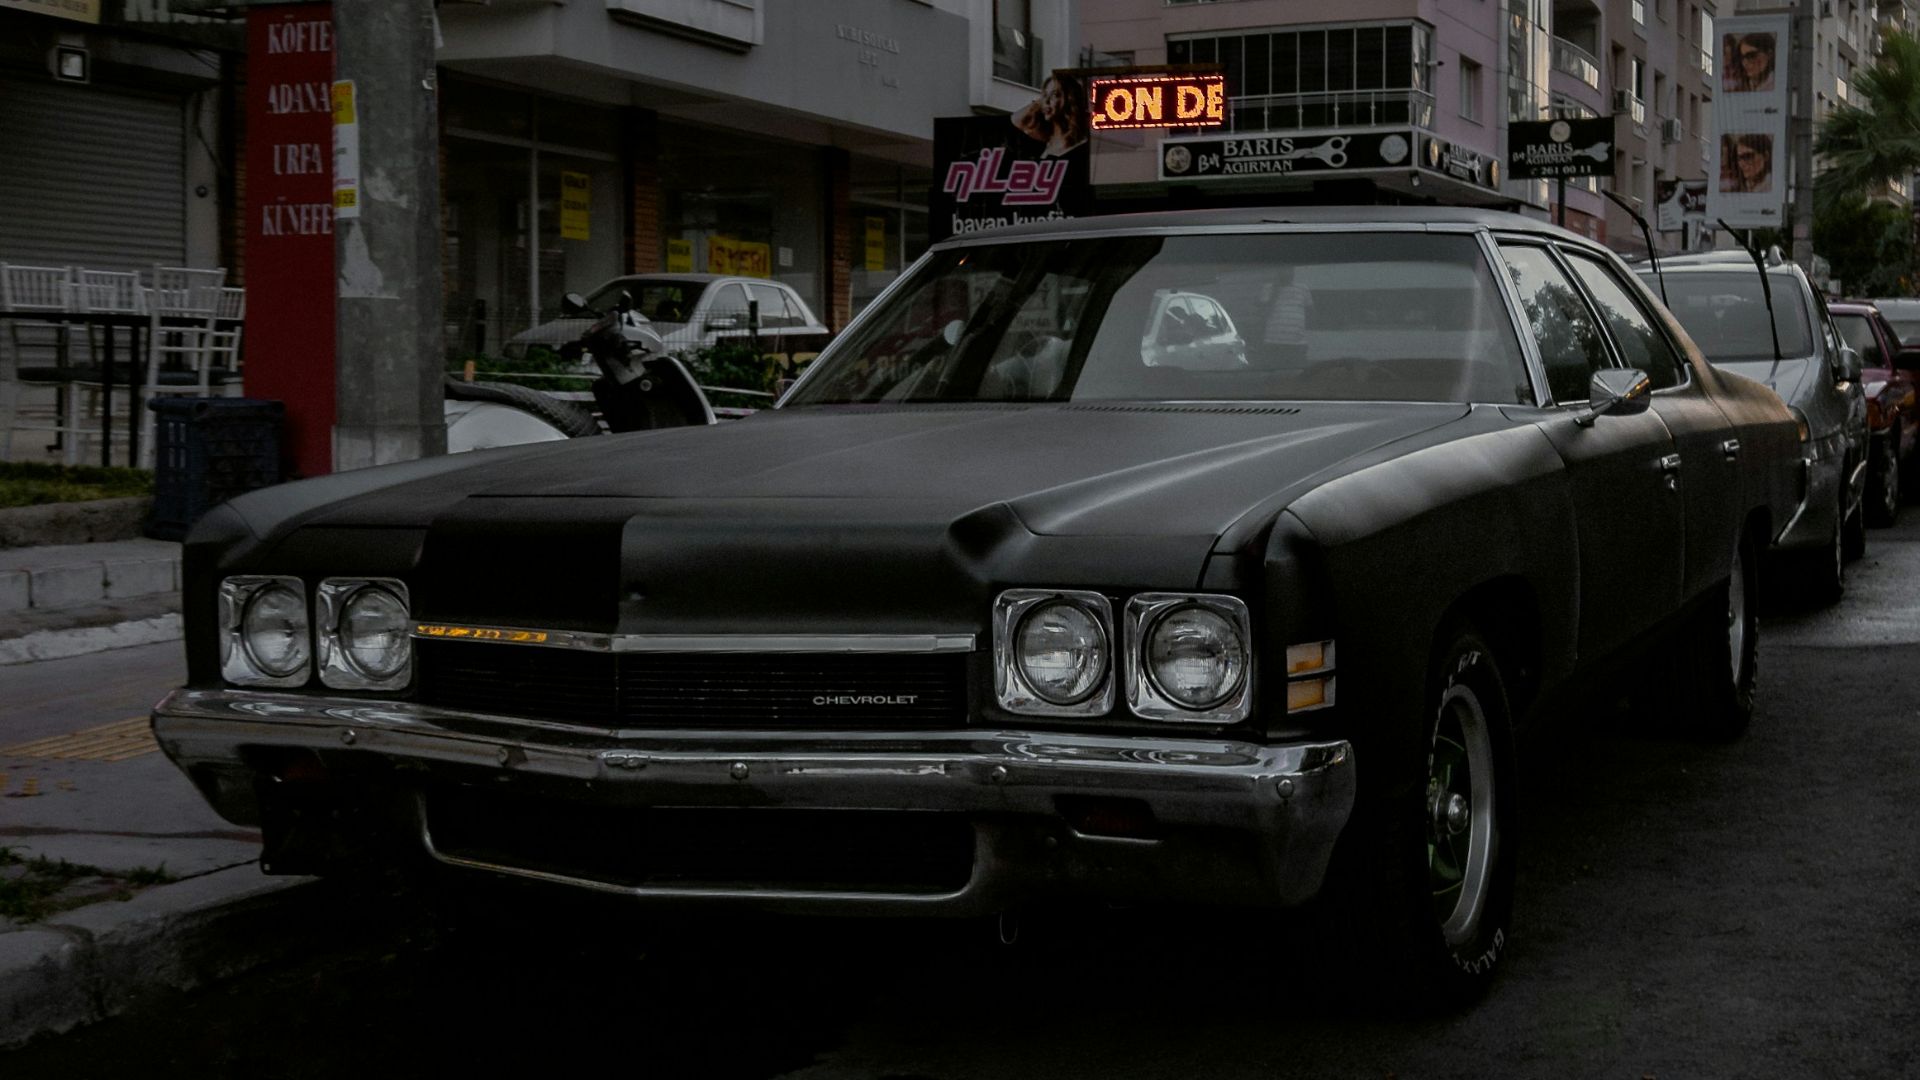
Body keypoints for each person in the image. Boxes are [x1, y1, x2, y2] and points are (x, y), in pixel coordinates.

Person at [1010, 74, 1090, 158]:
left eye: (1054, 95)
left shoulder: (1081, 145)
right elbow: (1016, 120)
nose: (1047, 101)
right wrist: (1039, 104)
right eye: (1045, 95)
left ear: (1069, 99)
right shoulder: (1042, 141)